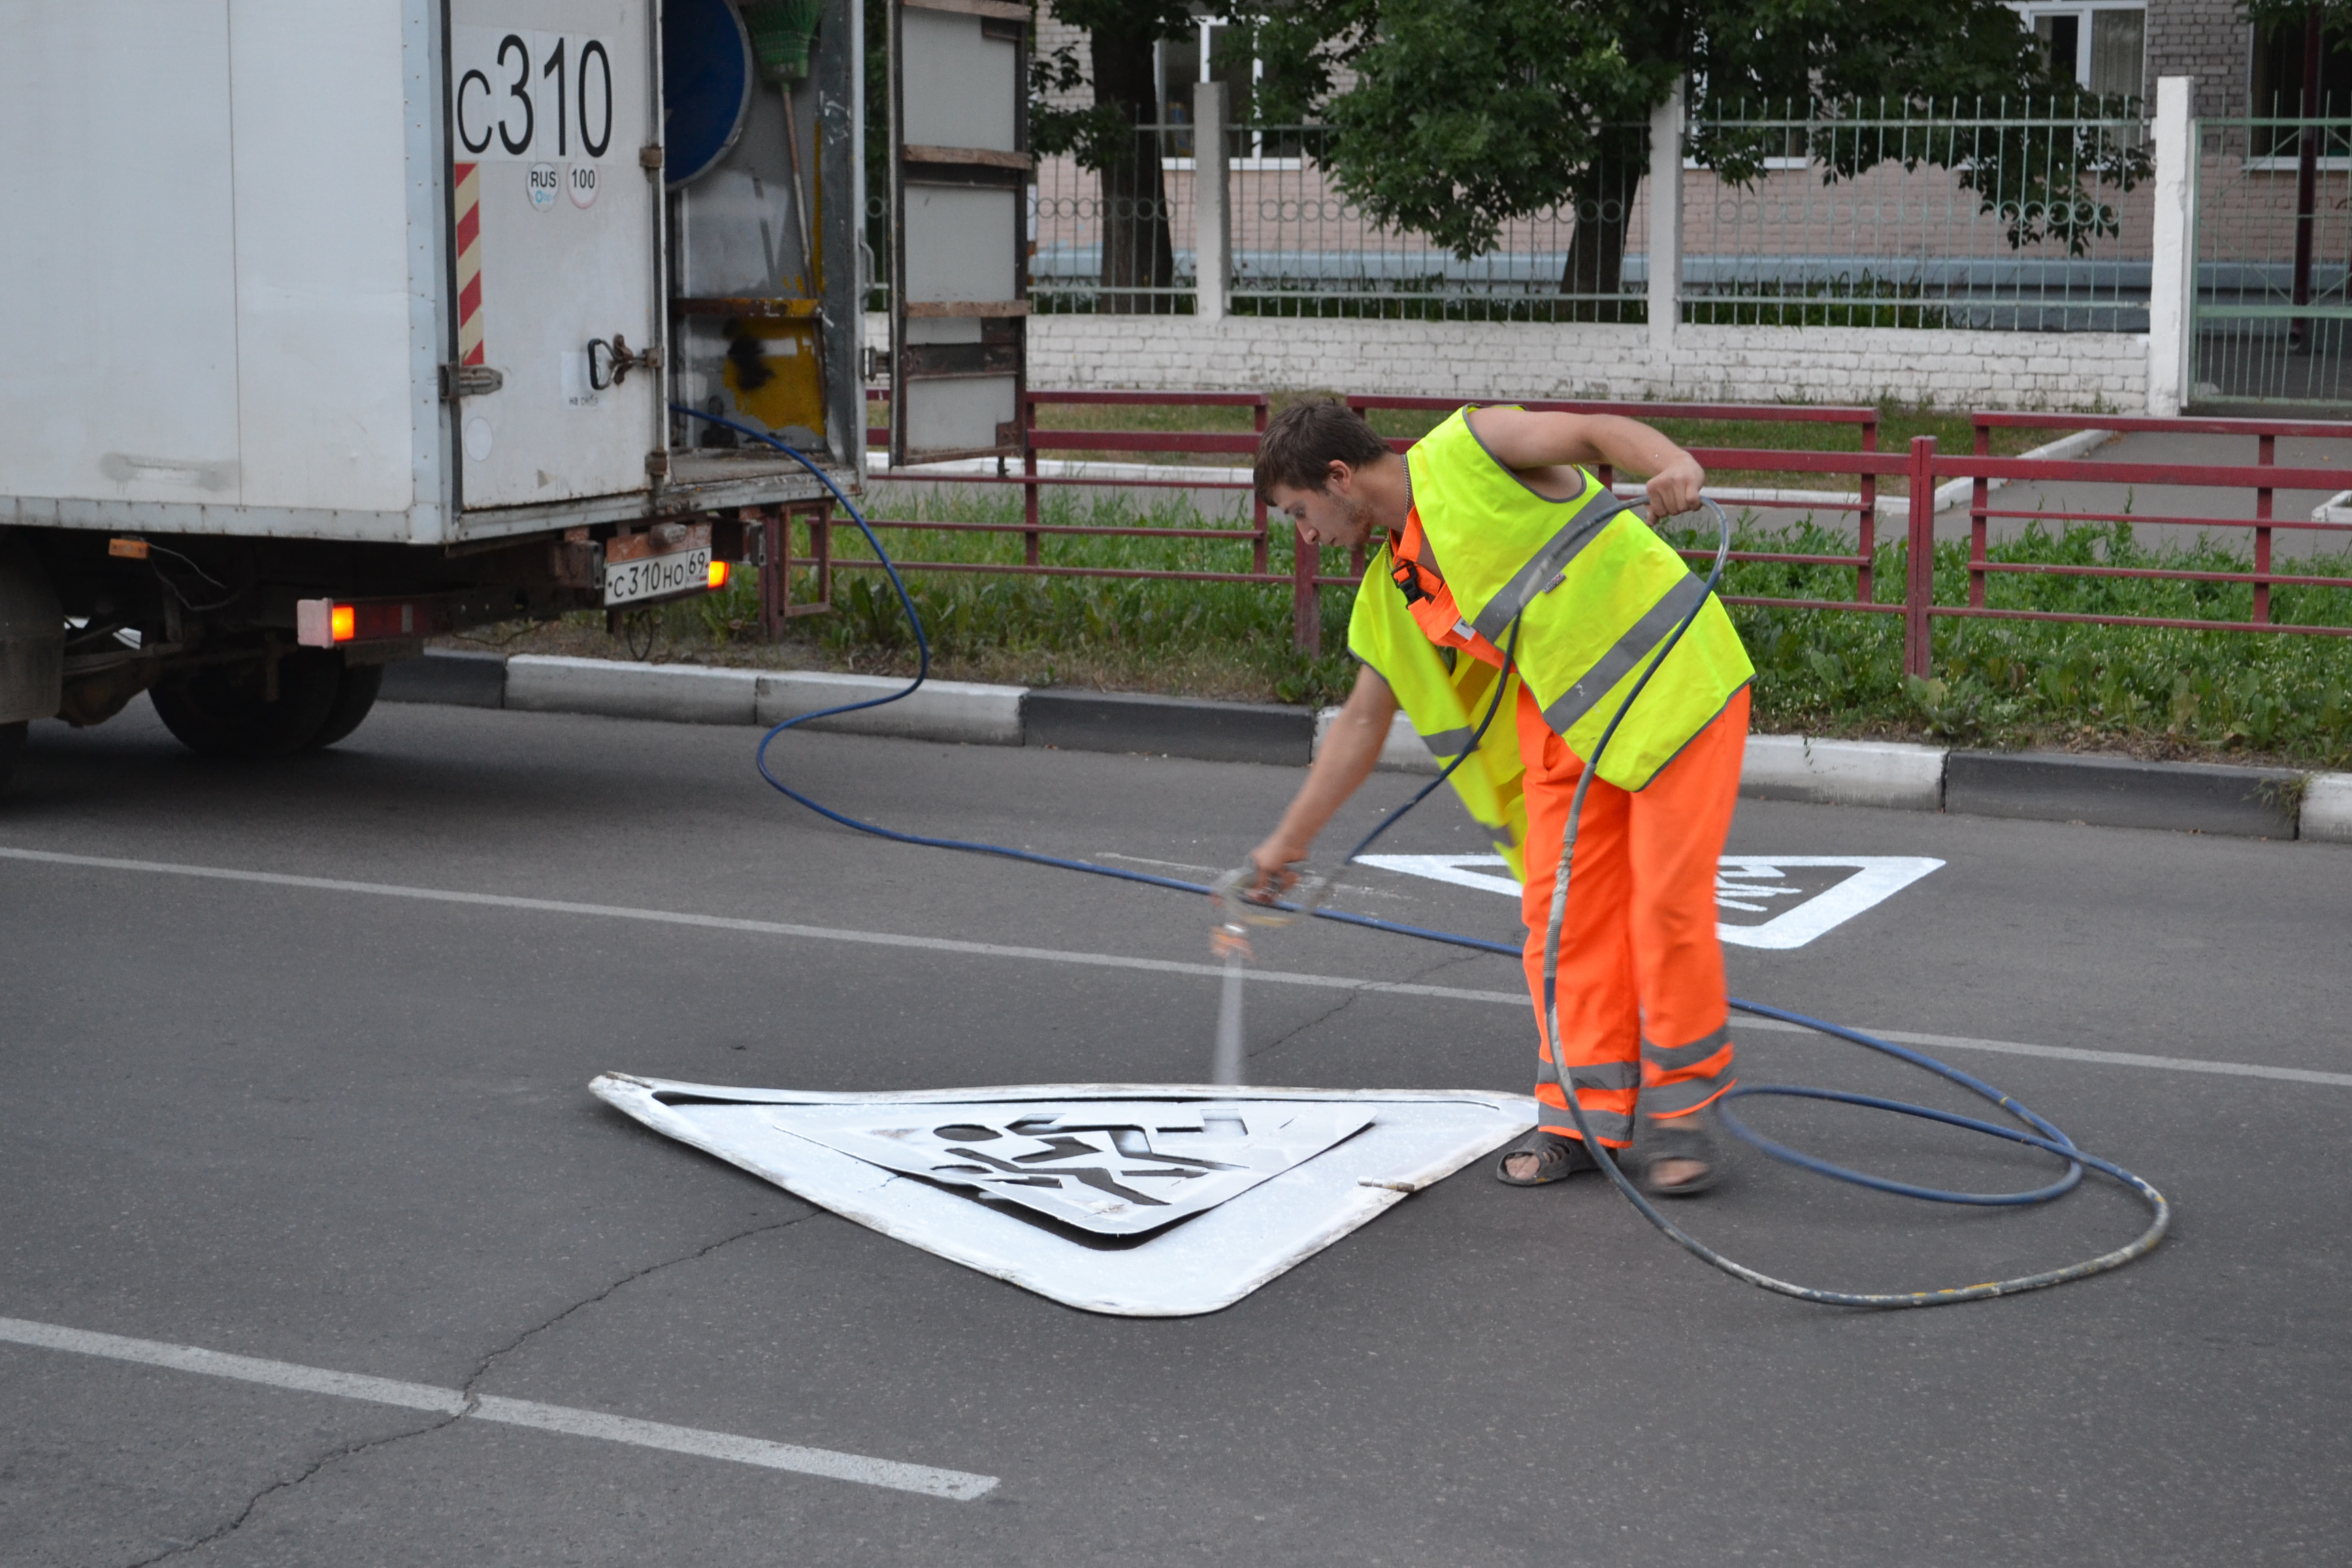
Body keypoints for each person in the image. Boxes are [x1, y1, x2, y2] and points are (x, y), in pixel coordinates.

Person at [1245, 400, 1754, 1195]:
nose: (1304, 537)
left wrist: (1672, 462)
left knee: (1663, 909)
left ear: (1338, 477)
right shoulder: (1397, 585)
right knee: (1560, 926)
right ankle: (1581, 1123)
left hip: (1674, 685)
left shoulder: (1469, 447)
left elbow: (1591, 433)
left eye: (1300, 513)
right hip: (1568, 736)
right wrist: (1288, 843)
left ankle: (1682, 1117)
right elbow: (1361, 722)